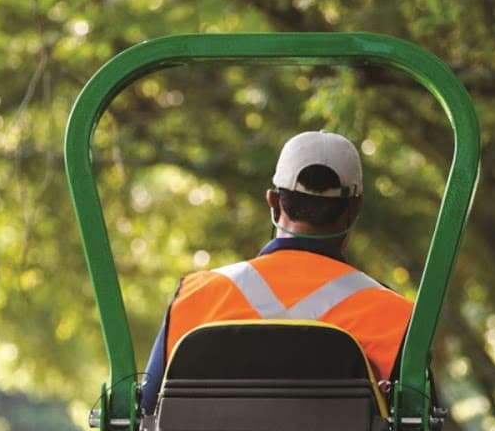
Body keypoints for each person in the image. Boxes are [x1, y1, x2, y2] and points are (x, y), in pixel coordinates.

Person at [139, 131, 413, 412]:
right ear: (355, 209)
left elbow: (147, 413)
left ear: (273, 201)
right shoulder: (393, 316)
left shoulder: (196, 297)